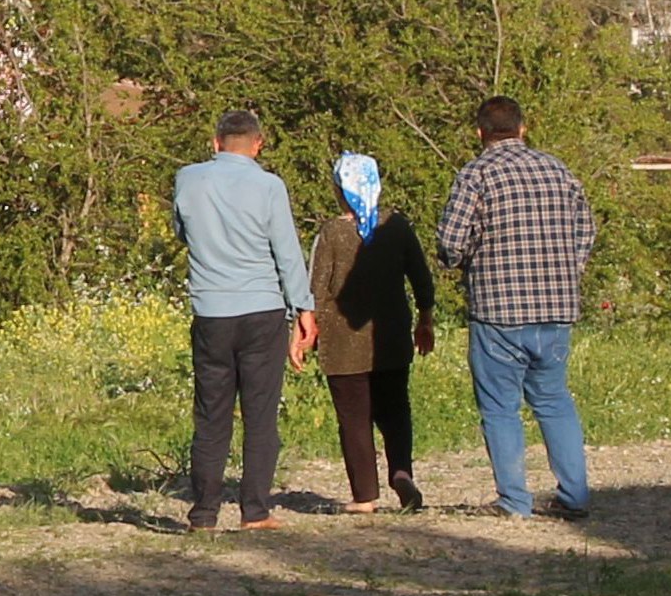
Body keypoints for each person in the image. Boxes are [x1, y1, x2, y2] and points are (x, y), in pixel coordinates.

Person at [433, 93, 599, 521]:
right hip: (556, 307)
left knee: (500, 407)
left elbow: (450, 242)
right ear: (523, 129)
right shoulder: (558, 171)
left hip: (498, 309)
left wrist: (466, 260)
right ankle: (575, 495)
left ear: (480, 133)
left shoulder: (476, 174)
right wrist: (567, 271)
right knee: (554, 400)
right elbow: (586, 229)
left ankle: (514, 500)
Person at [168, 105, 320, 529]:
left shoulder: (187, 178)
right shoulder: (270, 186)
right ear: (258, 144)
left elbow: (182, 232)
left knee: (211, 415)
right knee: (260, 414)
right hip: (261, 310)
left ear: (215, 143)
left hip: (211, 312)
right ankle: (255, 511)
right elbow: (286, 252)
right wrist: (304, 307)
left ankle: (203, 512)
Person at [307, 150, 438, 512]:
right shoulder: (397, 226)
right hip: (390, 337)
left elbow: (318, 286)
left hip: (342, 342)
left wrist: (305, 327)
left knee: (353, 417)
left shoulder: (332, 231)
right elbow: (422, 278)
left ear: (339, 190)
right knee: (395, 411)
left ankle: (365, 496)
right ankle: (401, 472)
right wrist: (425, 319)